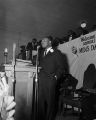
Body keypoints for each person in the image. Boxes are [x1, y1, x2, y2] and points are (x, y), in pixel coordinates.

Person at [38, 36, 66, 120]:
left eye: (44, 40)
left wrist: (55, 77)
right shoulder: (41, 52)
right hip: (40, 80)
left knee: (50, 104)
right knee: (40, 103)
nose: (42, 42)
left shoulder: (57, 52)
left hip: (50, 81)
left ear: (50, 42)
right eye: (41, 40)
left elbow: (62, 68)